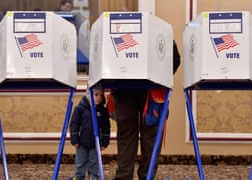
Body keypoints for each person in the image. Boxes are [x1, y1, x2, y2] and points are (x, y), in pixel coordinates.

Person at [111, 40, 181, 180]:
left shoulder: (117, 30)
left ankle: (125, 177)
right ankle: (147, 177)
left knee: (127, 137)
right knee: (151, 138)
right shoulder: (156, 28)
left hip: (125, 86)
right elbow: (174, 58)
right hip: (150, 88)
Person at [69, 85, 111, 180]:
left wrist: (105, 142)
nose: (99, 98)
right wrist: (74, 139)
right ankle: (79, 176)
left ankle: (93, 176)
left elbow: (106, 128)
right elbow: (74, 125)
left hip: (95, 143)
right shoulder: (80, 109)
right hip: (81, 142)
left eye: (101, 95)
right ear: (88, 94)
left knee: (94, 161)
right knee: (80, 160)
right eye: (96, 95)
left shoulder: (102, 111)